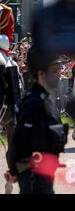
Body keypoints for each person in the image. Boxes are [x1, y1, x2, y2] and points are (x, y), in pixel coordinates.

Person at [5, 46, 68, 194]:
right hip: (33, 179)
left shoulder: (47, 99)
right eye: (54, 70)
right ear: (41, 73)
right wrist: (14, 171)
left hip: (45, 177)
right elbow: (17, 141)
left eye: (60, 69)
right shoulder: (33, 102)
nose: (59, 74)